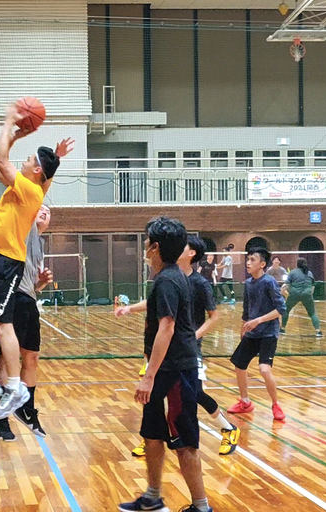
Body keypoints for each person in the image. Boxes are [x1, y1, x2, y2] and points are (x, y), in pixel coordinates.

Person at [0, 102, 73, 421]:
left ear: (36, 170)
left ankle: (14, 387)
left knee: (1, 323)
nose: (23, 161)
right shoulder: (25, 185)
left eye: (29, 160)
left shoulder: (29, 189)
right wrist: (15, 136)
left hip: (6, 262)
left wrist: (10, 122)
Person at [117, 234, 240, 459]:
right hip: (166, 348)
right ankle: (151, 439)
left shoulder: (200, 284)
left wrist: (193, 336)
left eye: (184, 246)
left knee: (195, 395)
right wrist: (130, 309)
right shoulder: (170, 278)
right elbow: (157, 303)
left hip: (187, 350)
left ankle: (228, 428)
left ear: (192, 253)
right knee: (154, 394)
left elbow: (214, 317)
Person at [118, 217, 212, 512]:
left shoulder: (169, 279)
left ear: (155, 247)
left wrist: (148, 376)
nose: (144, 246)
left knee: (184, 441)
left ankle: (201, 506)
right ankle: (152, 496)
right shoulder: (166, 278)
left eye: (146, 241)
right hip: (163, 371)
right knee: (152, 434)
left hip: (175, 372)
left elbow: (167, 327)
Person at [0, 205, 54, 441]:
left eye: (49, 211)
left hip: (28, 298)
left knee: (31, 357)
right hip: (12, 297)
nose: (45, 211)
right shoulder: (25, 230)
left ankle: (27, 409)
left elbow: (32, 281)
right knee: (8, 359)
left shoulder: (40, 243)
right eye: (40, 208)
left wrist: (40, 284)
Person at [227, 247, 287, 422]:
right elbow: (246, 311)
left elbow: (280, 309)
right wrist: (243, 329)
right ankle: (245, 402)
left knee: (264, 369)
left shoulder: (269, 282)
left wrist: (258, 321)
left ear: (262, 264)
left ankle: (276, 404)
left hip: (268, 333)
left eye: (252, 259)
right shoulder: (247, 284)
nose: (248, 262)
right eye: (248, 259)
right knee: (239, 364)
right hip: (252, 333)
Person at [280, 258, 323, 338]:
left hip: (295, 294)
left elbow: (286, 285)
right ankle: (318, 331)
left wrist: (282, 292)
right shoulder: (309, 273)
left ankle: (282, 329)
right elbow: (313, 286)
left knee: (286, 310)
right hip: (307, 294)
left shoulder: (293, 272)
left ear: (297, 264)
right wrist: (310, 294)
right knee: (312, 313)